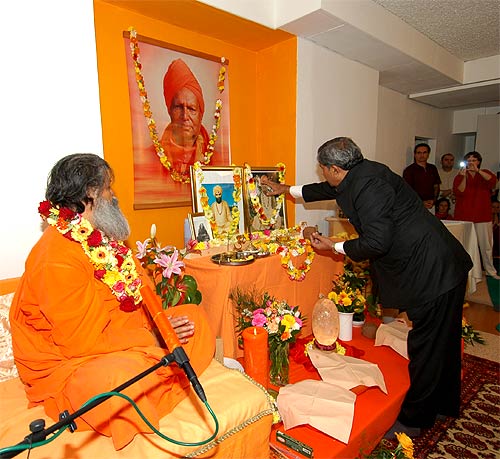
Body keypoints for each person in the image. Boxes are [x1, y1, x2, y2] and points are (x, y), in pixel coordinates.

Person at [262, 137, 472, 439]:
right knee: (444, 341)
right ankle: (444, 403)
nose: (323, 176)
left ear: (336, 168)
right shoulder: (360, 171)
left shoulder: (368, 188)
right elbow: (327, 189)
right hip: (442, 264)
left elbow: (377, 241)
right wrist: (287, 190)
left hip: (432, 271)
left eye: (324, 170)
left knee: (426, 346)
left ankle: (414, 420)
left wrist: (334, 245)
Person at [9, 154, 215, 450]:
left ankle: (156, 381)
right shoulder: (54, 257)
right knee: (118, 379)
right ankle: (155, 383)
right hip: (73, 361)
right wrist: (155, 337)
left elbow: (140, 294)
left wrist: (159, 323)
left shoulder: (104, 239)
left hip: (122, 337)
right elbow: (80, 343)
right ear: (90, 194)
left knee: (193, 318)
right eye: (109, 188)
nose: (113, 196)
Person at [160, 58, 212, 182]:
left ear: (201, 113)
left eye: (191, 108)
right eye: (178, 107)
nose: (185, 116)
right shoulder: (152, 154)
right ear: (169, 110)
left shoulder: (216, 156)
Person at [453, 151, 499, 279]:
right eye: (469, 160)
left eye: (474, 160)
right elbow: (459, 191)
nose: (471, 162)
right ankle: (466, 271)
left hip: (483, 216)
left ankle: (491, 271)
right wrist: (463, 177)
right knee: (465, 245)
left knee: (486, 246)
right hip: (464, 217)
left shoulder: (485, 173)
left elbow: (493, 182)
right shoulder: (460, 176)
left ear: (478, 162)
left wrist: (477, 171)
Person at [403, 143, 441, 212]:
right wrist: (421, 202)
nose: (422, 155)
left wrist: (434, 200)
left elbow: (436, 186)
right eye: (419, 153)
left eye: (424, 152)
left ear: (428, 154)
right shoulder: (409, 170)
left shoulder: (432, 168)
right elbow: (408, 190)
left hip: (431, 205)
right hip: (416, 206)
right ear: (415, 155)